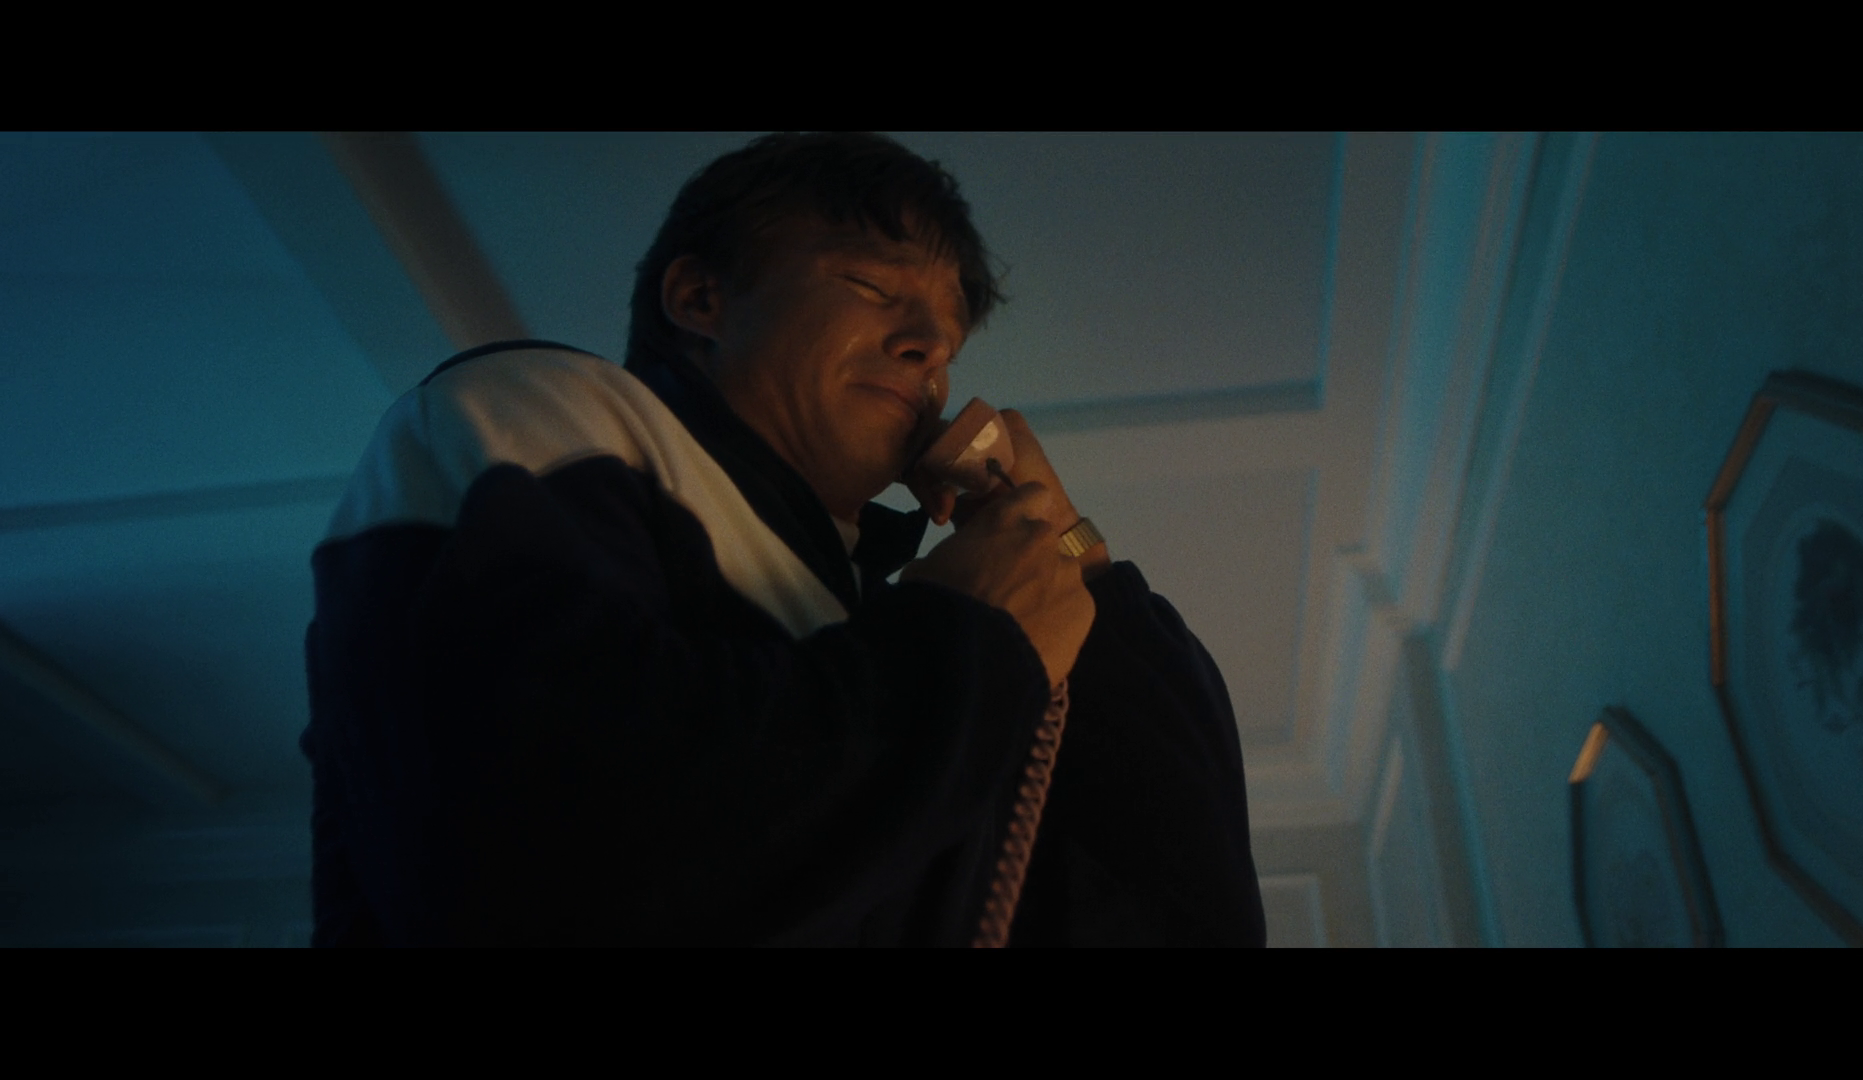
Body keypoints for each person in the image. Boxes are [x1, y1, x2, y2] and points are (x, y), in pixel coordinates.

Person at [302, 132, 1266, 946]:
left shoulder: (871, 619)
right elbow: (554, 844)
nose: (932, 348)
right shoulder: (542, 407)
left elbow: (1186, 912)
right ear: (700, 298)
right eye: (872, 286)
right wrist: (970, 642)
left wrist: (1073, 557)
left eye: (948, 337)